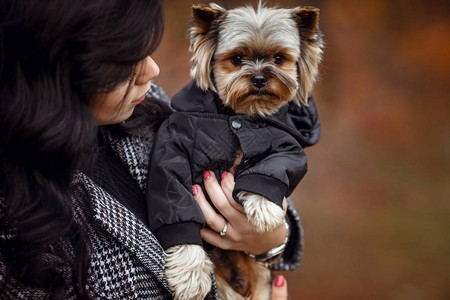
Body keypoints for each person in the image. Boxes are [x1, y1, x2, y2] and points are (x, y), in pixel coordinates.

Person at [0, 0, 318, 298]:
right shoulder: (15, 225)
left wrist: (272, 240)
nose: (153, 70)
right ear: (56, 66)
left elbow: (248, 173)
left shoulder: (147, 104)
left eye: (146, 49)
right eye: (125, 59)